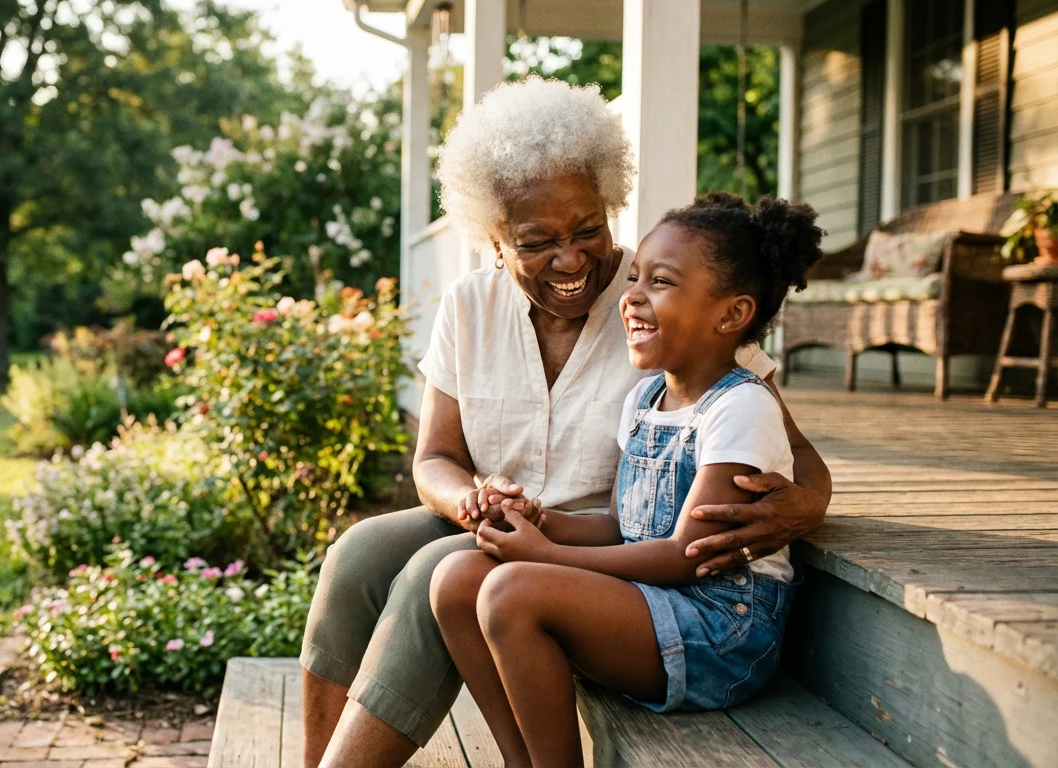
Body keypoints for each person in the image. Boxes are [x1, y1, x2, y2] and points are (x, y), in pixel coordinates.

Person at [299, 78, 833, 768]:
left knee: (440, 569)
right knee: (359, 554)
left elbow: (790, 449)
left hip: (606, 551)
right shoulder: (470, 305)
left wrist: (808, 504)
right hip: (521, 522)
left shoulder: (666, 310)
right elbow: (433, 455)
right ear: (494, 238)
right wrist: (474, 500)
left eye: (588, 230)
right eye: (536, 241)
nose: (573, 259)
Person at [432, 192, 824, 766]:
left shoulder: (741, 408)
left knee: (512, 591)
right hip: (653, 602)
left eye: (660, 282)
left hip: (721, 629)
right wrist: (544, 521)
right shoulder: (645, 399)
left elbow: (687, 556)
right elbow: (623, 526)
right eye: (634, 276)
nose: (632, 295)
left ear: (732, 315)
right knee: (457, 578)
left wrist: (546, 556)